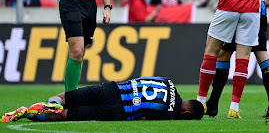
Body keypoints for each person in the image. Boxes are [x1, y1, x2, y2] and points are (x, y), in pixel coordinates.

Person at [1, 76, 204, 122]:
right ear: (185, 113)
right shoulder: (168, 114)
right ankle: (30, 114)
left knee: (68, 97)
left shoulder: (168, 81)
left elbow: (144, 78)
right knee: (67, 116)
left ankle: (51, 103)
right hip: (117, 110)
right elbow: (142, 118)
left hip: (113, 88)